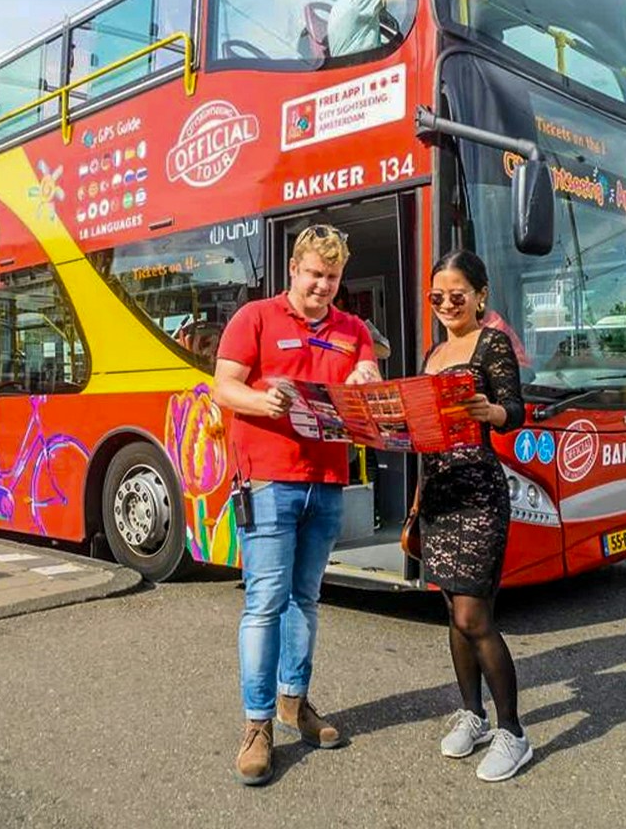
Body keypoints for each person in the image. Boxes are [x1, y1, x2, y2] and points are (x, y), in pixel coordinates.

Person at [213, 224, 381, 787]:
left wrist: (365, 376)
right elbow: (223, 386)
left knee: (305, 600)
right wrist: (262, 401)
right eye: (314, 274)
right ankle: (256, 724)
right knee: (264, 602)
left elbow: (369, 385)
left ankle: (293, 701)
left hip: (327, 482)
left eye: (331, 277)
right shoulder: (255, 318)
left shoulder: (353, 329)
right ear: (293, 269)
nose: (322, 286)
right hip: (267, 480)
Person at [418, 249, 530, 782]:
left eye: (456, 294)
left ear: (480, 295)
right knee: (453, 614)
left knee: (473, 616)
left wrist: (492, 410)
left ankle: (513, 733)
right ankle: (474, 715)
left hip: (478, 492)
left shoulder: (492, 343)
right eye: (436, 296)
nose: (446, 304)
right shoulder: (432, 354)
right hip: (437, 493)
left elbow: (516, 411)